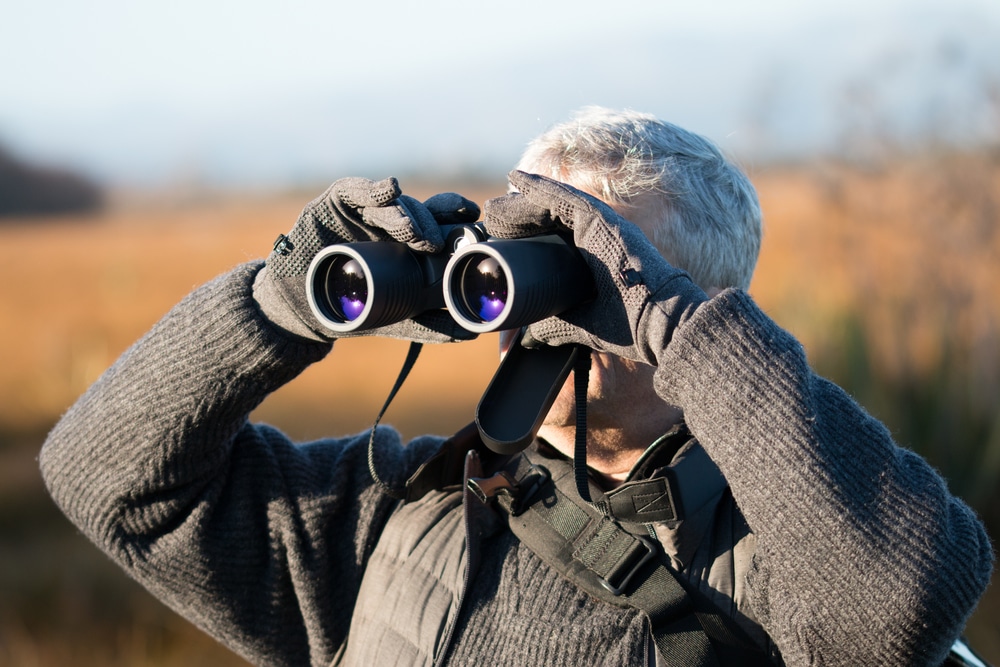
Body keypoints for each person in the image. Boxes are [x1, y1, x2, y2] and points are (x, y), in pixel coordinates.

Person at [39, 107, 993, 667]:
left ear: (700, 308)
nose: (518, 307)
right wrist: (281, 299)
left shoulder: (779, 567)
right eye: (514, 253)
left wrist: (668, 324)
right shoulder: (394, 514)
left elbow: (903, 602)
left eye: (576, 270)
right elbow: (104, 476)